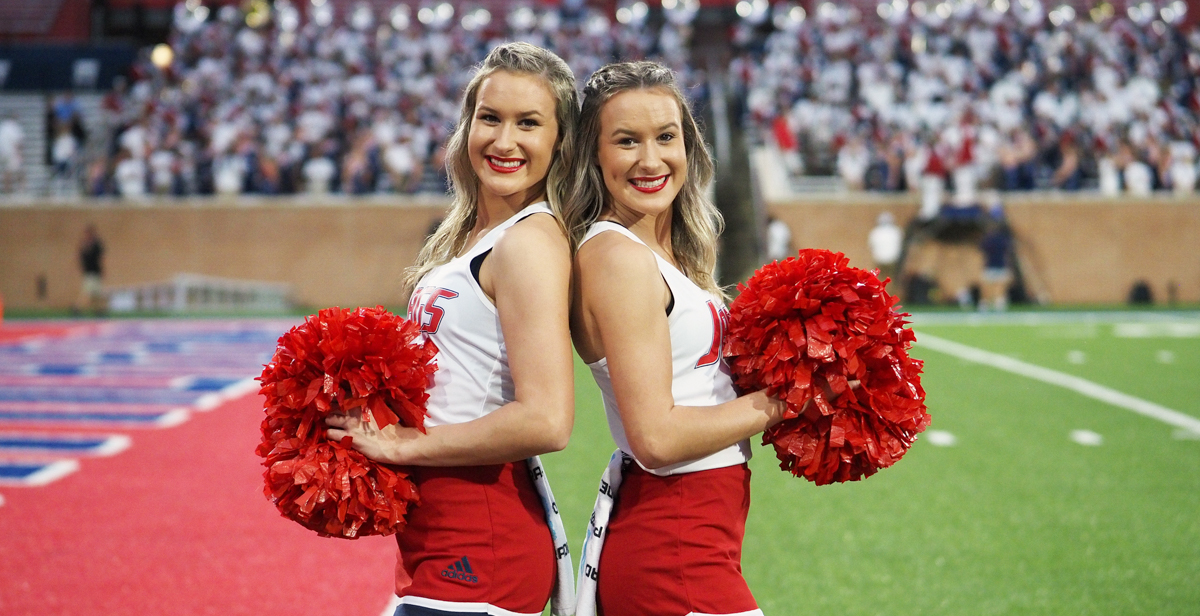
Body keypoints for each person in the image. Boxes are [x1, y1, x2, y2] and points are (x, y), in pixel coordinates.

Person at [325, 43, 579, 616]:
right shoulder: (471, 234)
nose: (504, 141)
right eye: (490, 118)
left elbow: (547, 418)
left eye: (529, 124)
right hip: (438, 540)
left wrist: (403, 443)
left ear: (559, 142)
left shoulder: (529, 243)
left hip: (481, 545)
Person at [563, 61, 790, 616]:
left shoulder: (659, 253)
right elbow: (657, 437)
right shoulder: (618, 258)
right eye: (626, 141)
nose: (650, 159)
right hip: (674, 548)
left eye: (666, 137)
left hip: (692, 542)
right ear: (594, 155)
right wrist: (788, 400)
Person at [76, 224, 105, 315]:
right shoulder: (84, 245)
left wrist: (103, 269)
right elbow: (81, 257)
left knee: (96, 294)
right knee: (87, 292)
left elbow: (101, 257)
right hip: (89, 272)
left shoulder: (97, 244)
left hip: (96, 272)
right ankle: (77, 308)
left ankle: (98, 310)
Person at [868, 211, 903, 283]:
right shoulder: (896, 231)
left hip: (880, 260)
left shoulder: (875, 232)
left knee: (879, 280)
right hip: (893, 260)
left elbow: (871, 246)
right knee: (892, 280)